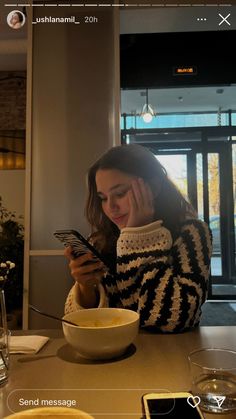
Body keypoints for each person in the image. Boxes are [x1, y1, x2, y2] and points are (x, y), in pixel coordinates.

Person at [65, 144, 212, 333]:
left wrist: (141, 235)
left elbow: (173, 319)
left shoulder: (192, 232)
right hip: (111, 350)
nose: (111, 207)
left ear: (154, 187)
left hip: (173, 354)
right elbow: (82, 322)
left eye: (119, 193)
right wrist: (85, 286)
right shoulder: (101, 240)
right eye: (102, 197)